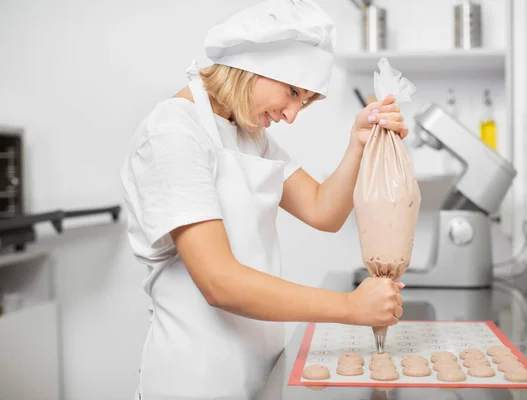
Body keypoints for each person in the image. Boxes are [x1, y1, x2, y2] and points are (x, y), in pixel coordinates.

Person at [121, 1, 408, 399]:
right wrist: (349, 307)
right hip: (196, 381)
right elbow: (220, 282)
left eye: (303, 101)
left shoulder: (247, 134)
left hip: (259, 373)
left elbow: (324, 210)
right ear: (250, 65)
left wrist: (357, 145)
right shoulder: (174, 133)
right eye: (292, 92)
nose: (291, 116)